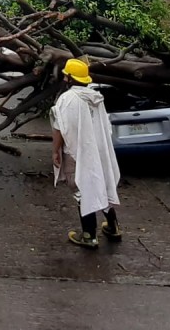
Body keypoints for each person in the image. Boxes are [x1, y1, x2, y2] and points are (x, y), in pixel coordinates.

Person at [51, 58, 122, 249]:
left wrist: (55, 151)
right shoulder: (95, 97)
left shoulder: (67, 99)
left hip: (77, 153)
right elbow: (105, 127)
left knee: (82, 191)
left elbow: (59, 128)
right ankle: (113, 228)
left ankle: (89, 236)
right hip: (99, 151)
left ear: (69, 79)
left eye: (66, 75)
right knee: (104, 186)